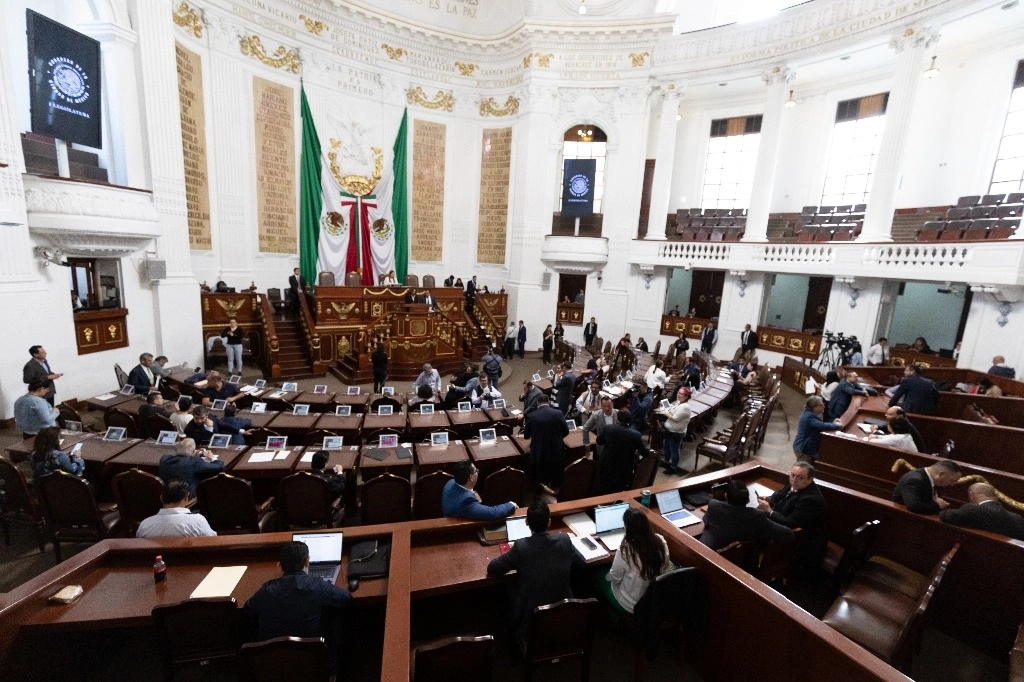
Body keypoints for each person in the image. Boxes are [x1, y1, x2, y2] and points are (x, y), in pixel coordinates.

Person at [244, 542, 351, 674]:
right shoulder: (317, 586)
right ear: (307, 562)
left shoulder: (266, 590)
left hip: (273, 669)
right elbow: (346, 598)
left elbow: (248, 609)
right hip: (314, 668)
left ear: (280, 565)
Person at [486, 500, 586, 636]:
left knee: (507, 587)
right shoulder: (564, 539)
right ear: (549, 522)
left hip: (532, 620)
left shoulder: (522, 547)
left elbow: (493, 568)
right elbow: (580, 562)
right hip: (564, 614)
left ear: (526, 522)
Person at [756, 462, 827, 575]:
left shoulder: (811, 499)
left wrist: (769, 511)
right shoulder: (796, 484)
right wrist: (770, 498)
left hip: (802, 541)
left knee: (756, 528)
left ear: (810, 479)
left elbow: (791, 523)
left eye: (800, 477)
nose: (794, 479)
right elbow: (781, 492)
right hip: (786, 526)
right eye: (792, 475)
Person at [599, 508, 672, 614]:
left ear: (627, 527)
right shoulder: (660, 541)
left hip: (630, 604)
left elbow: (615, 577)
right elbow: (665, 565)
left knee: (597, 575)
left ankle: (610, 615)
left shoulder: (626, 548)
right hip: (653, 601)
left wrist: (607, 577)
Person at [700, 480, 794, 551]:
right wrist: (768, 512)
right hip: (743, 564)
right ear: (748, 499)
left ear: (726, 496)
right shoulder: (757, 516)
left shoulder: (714, 506)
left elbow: (706, 519)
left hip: (712, 558)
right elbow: (788, 534)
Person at [939, 483, 1024, 540]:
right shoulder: (1018, 518)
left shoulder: (973, 509)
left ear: (972, 495)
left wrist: (940, 505)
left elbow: (947, 516)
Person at [136, 480, 216, 538]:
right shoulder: (198, 521)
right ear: (186, 497)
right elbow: (212, 542)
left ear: (161, 498)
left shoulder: (145, 525)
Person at [524, 395, 569, 494]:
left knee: (541, 481)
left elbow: (526, 436)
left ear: (537, 403)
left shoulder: (531, 416)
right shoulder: (558, 413)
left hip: (540, 454)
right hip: (557, 452)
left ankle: (542, 498)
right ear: (548, 403)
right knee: (556, 479)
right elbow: (566, 431)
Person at [442, 460, 516, 520]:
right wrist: (511, 504)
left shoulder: (451, 482)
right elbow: (493, 513)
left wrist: (473, 493)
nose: (477, 472)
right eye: (476, 471)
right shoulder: (466, 501)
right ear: (471, 477)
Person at [596, 410, 649, 494]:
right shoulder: (636, 435)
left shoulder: (608, 428)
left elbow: (599, 441)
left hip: (607, 464)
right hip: (624, 467)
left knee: (604, 487)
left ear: (617, 418)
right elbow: (645, 453)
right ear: (630, 420)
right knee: (618, 490)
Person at [158, 437, 224, 496]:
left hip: (167, 495)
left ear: (176, 449)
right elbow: (219, 466)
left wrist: (191, 457)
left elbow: (182, 463)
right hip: (187, 498)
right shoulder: (194, 462)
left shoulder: (164, 459)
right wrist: (212, 458)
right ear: (193, 451)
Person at [892, 460, 962, 514]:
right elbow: (914, 506)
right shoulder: (914, 480)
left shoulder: (931, 479)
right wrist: (938, 505)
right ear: (941, 474)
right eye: (952, 480)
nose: (952, 484)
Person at [794, 396, 842, 462]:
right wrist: (836, 425)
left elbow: (820, 424)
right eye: (821, 404)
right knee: (802, 468)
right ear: (815, 406)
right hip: (803, 449)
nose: (824, 406)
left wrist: (833, 423)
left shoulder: (809, 414)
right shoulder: (809, 417)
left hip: (805, 447)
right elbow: (822, 425)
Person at [659, 386, 692, 475]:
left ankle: (673, 467)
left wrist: (666, 413)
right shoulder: (679, 403)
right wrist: (668, 409)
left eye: (681, 394)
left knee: (674, 450)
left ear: (686, 396)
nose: (678, 395)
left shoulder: (685, 407)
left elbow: (676, 418)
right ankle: (666, 462)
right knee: (666, 447)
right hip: (669, 431)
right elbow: (673, 411)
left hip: (676, 433)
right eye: (678, 393)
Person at [582, 395, 617, 460]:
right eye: (604, 406)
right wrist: (587, 444)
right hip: (602, 447)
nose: (606, 409)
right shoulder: (596, 415)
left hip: (616, 446)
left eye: (609, 406)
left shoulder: (618, 413)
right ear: (601, 406)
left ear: (612, 404)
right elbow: (585, 428)